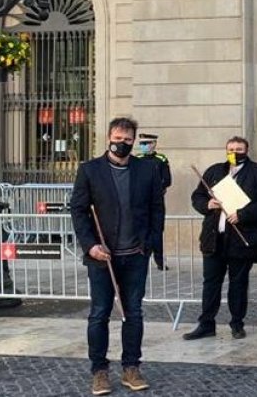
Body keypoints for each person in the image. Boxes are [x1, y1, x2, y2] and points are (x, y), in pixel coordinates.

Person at [70, 117, 164, 396]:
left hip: (135, 255)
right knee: (99, 314)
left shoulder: (148, 170)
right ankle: (99, 371)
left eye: (127, 139)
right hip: (102, 256)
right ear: (108, 137)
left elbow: (156, 210)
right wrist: (90, 245)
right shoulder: (90, 170)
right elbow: (78, 210)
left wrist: (148, 245)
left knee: (133, 313)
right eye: (117, 138)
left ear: (134, 141)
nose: (121, 143)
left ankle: (131, 367)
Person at [183, 136, 257, 341]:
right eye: (230, 149)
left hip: (242, 238)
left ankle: (237, 323)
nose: (234, 152)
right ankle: (206, 323)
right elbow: (197, 196)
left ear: (247, 149)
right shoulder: (214, 171)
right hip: (214, 238)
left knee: (238, 283)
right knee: (210, 283)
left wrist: (244, 214)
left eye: (239, 148)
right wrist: (207, 204)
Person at [133, 132, 171, 271]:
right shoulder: (136, 159)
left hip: (156, 201)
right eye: (141, 144)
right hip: (140, 201)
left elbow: (167, 179)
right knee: (140, 230)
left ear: (154, 144)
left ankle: (159, 261)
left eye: (146, 143)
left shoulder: (161, 159)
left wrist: (157, 189)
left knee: (157, 231)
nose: (143, 146)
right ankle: (140, 259)